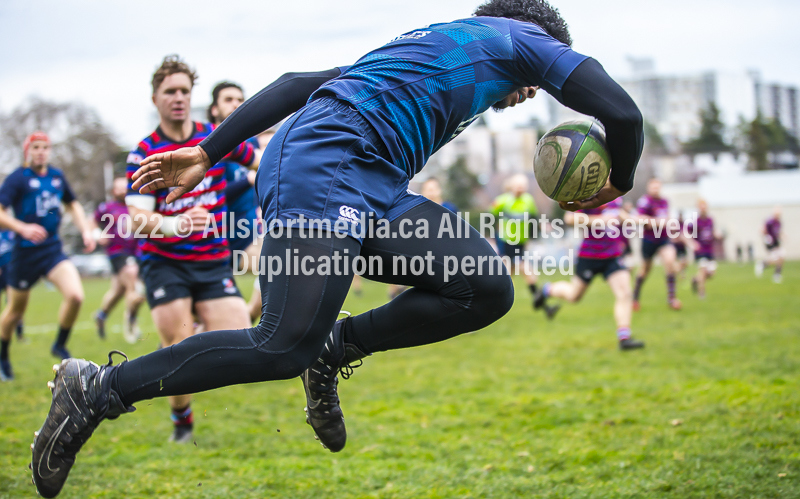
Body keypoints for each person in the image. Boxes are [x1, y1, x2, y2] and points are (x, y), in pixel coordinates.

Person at [31, 3, 644, 495]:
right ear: (538, 37)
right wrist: (618, 180)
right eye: (538, 82)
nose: (531, 94)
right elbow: (622, 112)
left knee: (484, 283)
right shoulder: (518, 39)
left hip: (370, 183)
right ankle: (99, 389)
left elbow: (297, 83)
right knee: (280, 344)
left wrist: (208, 150)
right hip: (323, 167)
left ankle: (337, 345)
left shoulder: (423, 44)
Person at [123, 56, 260, 444]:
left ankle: (196, 331)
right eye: (170, 91)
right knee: (177, 350)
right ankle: (182, 419)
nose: (179, 97)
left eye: (185, 90)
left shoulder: (217, 137)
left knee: (242, 339)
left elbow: (261, 161)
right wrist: (176, 224)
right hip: (166, 263)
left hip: (212, 260)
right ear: (156, 99)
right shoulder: (145, 152)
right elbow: (137, 219)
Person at [0, 131, 95, 382]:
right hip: (24, 254)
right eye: (36, 147)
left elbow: (72, 204)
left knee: (76, 295)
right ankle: (3, 356)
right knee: (14, 312)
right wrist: (22, 228)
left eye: (45, 147)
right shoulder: (18, 178)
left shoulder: (56, 176)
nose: (41, 151)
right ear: (27, 150)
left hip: (52, 250)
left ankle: (60, 345)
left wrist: (85, 230)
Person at [534, 198, 644, 350]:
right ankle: (547, 290)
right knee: (574, 296)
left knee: (625, 293)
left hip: (613, 255)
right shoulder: (587, 191)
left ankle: (624, 338)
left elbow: (618, 215)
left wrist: (635, 221)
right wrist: (598, 221)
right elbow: (570, 218)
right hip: (589, 255)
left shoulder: (616, 194)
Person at [208, 81, 264, 321]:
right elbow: (213, 193)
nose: (236, 104)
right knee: (207, 321)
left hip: (248, 230)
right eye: (228, 99)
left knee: (281, 266)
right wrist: (248, 180)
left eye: (240, 99)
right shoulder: (207, 144)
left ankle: (247, 325)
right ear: (214, 109)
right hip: (215, 236)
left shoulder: (249, 143)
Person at [492, 174, 556, 316]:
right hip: (506, 241)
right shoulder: (502, 201)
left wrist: (543, 225)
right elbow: (490, 217)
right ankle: (542, 304)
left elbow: (534, 217)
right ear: (512, 186)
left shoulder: (528, 200)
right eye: (518, 185)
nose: (521, 188)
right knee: (522, 271)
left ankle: (543, 306)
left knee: (512, 275)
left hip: (520, 242)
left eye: (523, 185)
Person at [91, 177, 145, 343]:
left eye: (125, 187)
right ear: (113, 191)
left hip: (135, 252)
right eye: (119, 188)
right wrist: (97, 234)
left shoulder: (136, 207)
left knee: (117, 292)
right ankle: (131, 323)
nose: (122, 190)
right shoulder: (107, 208)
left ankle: (101, 315)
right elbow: (92, 221)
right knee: (134, 286)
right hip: (117, 252)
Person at [632, 178, 681, 311]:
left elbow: (667, 218)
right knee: (645, 270)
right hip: (649, 240)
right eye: (653, 187)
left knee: (670, 262)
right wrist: (657, 222)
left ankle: (672, 298)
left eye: (657, 187)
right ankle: (634, 297)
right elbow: (639, 219)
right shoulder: (645, 201)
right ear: (649, 188)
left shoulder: (664, 201)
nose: (655, 190)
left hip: (663, 238)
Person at [688, 199, 717, 299]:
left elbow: (711, 233)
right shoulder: (695, 221)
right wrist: (692, 243)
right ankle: (702, 294)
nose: (703, 208)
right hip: (700, 250)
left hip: (709, 250)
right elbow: (687, 233)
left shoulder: (710, 220)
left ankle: (695, 280)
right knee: (703, 271)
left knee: (711, 273)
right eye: (701, 206)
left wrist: (717, 235)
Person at [755, 207, 783, 283]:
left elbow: (778, 232)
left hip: (776, 242)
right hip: (770, 242)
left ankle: (776, 275)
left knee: (781, 258)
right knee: (776, 259)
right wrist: (765, 236)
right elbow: (762, 229)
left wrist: (783, 236)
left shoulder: (779, 222)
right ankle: (762, 264)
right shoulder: (769, 221)